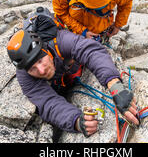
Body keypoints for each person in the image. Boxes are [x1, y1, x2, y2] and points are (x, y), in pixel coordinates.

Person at [7, 15, 139, 137]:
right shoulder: (24, 73)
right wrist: (76, 121)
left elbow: (90, 51)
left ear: (45, 49)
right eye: (33, 69)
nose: (41, 70)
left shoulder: (61, 40)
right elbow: (47, 103)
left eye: (40, 61)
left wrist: (115, 86)